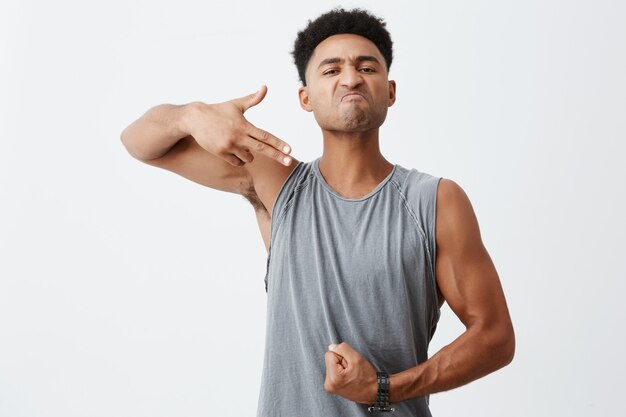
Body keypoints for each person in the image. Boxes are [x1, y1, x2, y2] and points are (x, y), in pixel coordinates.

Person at [120, 7, 515, 416]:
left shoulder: (434, 201)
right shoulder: (275, 182)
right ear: (305, 98)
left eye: (367, 67)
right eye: (331, 70)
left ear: (390, 91)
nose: (351, 78)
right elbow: (138, 142)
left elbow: (495, 336)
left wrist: (383, 389)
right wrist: (192, 115)